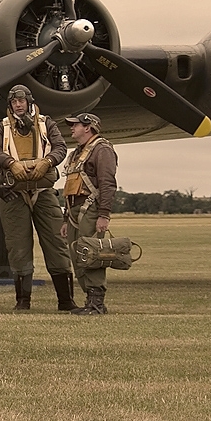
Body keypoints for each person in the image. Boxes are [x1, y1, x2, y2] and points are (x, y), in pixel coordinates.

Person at [0, 85, 78, 311]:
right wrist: (11, 164)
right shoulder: (2, 127)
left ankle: (65, 301)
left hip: (44, 192)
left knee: (56, 243)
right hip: (13, 193)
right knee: (18, 247)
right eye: (14, 102)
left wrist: (46, 163)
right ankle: (23, 301)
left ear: (29, 101)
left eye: (21, 100)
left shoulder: (47, 124)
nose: (18, 105)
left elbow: (60, 147)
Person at [61, 112, 118, 315]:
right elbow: (70, 186)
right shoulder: (77, 152)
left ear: (88, 127)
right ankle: (89, 301)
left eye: (75, 125)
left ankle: (97, 303)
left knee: (92, 255)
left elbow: (107, 183)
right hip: (75, 210)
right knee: (77, 256)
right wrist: (66, 218)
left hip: (91, 209)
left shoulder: (102, 150)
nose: (72, 128)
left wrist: (104, 214)